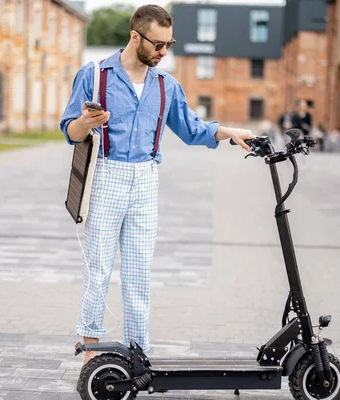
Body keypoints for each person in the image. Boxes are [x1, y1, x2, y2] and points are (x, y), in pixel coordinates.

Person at [59, 5, 255, 365]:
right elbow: (70, 131)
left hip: (146, 180)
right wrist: (86, 123)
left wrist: (231, 133)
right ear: (136, 37)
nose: (165, 52)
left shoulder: (167, 85)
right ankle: (89, 351)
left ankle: (138, 352)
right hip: (106, 174)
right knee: (98, 269)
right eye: (159, 44)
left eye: (170, 43)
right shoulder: (94, 75)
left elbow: (193, 129)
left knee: (138, 271)